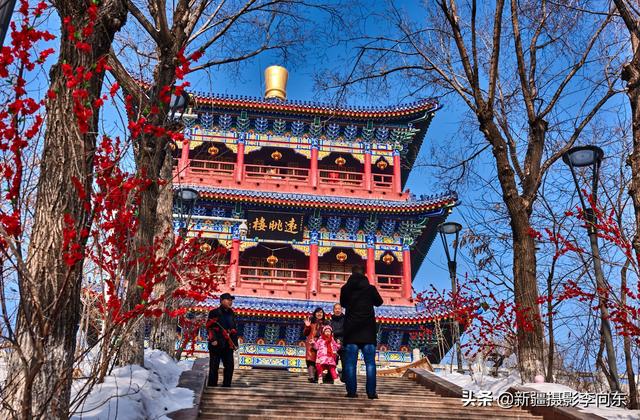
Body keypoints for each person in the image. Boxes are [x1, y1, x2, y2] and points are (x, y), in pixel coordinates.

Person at [340, 265, 383, 399]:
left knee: (350, 363)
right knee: (370, 363)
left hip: (351, 331)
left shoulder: (345, 289)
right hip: (368, 331)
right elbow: (379, 302)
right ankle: (371, 393)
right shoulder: (370, 289)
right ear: (364, 274)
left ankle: (351, 392)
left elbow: (343, 304)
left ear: (351, 274)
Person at [206, 293, 239, 387]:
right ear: (221, 300)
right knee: (214, 366)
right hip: (216, 343)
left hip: (228, 344)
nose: (230, 302)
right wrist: (213, 340)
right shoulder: (214, 312)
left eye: (231, 300)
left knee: (230, 366)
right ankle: (212, 385)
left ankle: (226, 385)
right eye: (228, 300)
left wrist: (235, 343)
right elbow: (209, 327)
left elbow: (234, 329)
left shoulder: (232, 313)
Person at [303, 307, 328, 383]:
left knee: (319, 360)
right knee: (310, 360)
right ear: (315, 314)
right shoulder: (311, 322)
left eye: (321, 312)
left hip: (321, 344)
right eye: (317, 312)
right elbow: (305, 333)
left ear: (323, 314)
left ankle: (317, 376)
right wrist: (307, 326)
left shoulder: (326, 323)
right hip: (311, 343)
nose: (319, 314)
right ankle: (311, 376)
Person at [330, 303, 345, 377]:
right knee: (332, 362)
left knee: (344, 362)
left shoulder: (345, 320)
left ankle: (345, 378)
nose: (337, 310)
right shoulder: (330, 321)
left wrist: (333, 333)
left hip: (343, 343)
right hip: (333, 344)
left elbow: (345, 330)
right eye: (336, 309)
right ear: (333, 310)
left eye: (339, 308)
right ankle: (331, 376)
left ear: (341, 310)